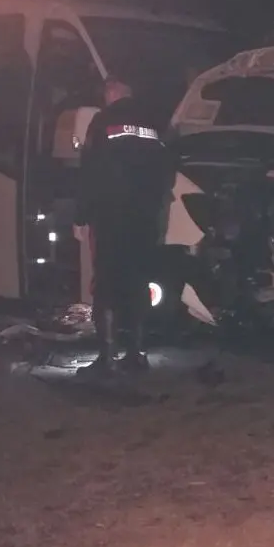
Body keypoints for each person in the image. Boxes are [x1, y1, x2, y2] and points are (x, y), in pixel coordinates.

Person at [74, 74, 176, 378]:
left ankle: (108, 357)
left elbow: (90, 172)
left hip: (110, 217)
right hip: (145, 218)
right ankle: (137, 354)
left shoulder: (103, 122)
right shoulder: (156, 123)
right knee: (138, 283)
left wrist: (81, 217)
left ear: (113, 91)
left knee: (106, 284)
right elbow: (167, 171)